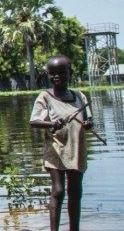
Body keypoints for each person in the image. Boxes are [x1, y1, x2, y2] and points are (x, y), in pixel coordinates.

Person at [30, 55, 93, 231]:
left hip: (76, 150)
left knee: (75, 192)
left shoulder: (79, 96)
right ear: (48, 75)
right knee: (58, 191)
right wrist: (52, 124)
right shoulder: (46, 97)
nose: (57, 76)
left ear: (70, 73)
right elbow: (34, 121)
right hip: (56, 150)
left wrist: (88, 124)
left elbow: (88, 119)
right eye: (53, 73)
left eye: (62, 73)